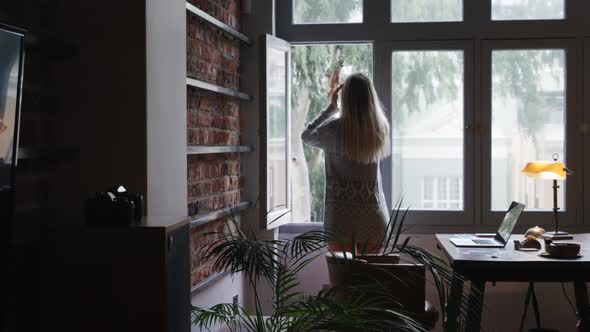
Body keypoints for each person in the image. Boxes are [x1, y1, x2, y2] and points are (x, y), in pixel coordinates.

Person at [301, 69, 390, 254]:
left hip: (341, 220)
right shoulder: (379, 130)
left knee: (343, 280)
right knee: (371, 281)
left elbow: (306, 136)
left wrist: (331, 107)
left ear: (345, 97)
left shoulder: (333, 130)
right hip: (373, 218)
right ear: (370, 97)